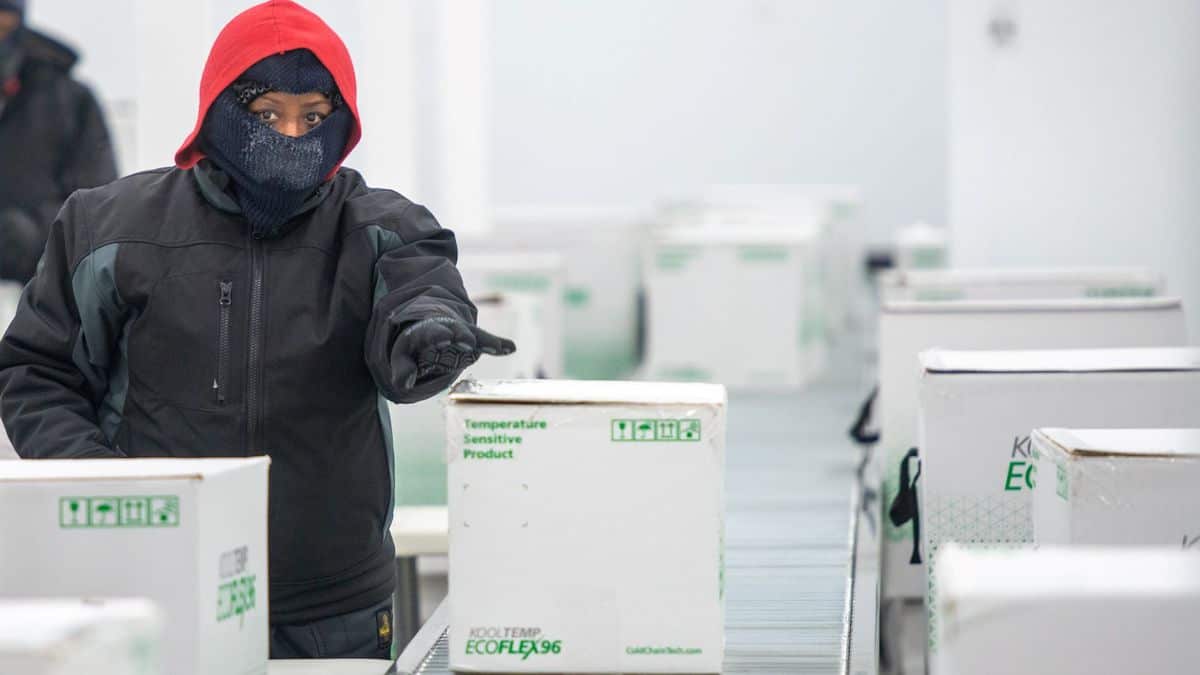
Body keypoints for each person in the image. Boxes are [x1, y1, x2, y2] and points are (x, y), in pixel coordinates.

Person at [0, 0, 514, 659]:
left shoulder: (379, 226)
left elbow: (420, 291)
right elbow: (36, 373)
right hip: (154, 589)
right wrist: (106, 490)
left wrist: (430, 334)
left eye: (314, 118)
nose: (290, 137)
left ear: (343, 122)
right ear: (219, 109)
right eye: (266, 114)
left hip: (334, 613)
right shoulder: (110, 227)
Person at [0, 0, 117, 284]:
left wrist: (31, 236)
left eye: (3, 25)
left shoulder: (71, 100)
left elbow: (99, 203)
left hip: (41, 290)